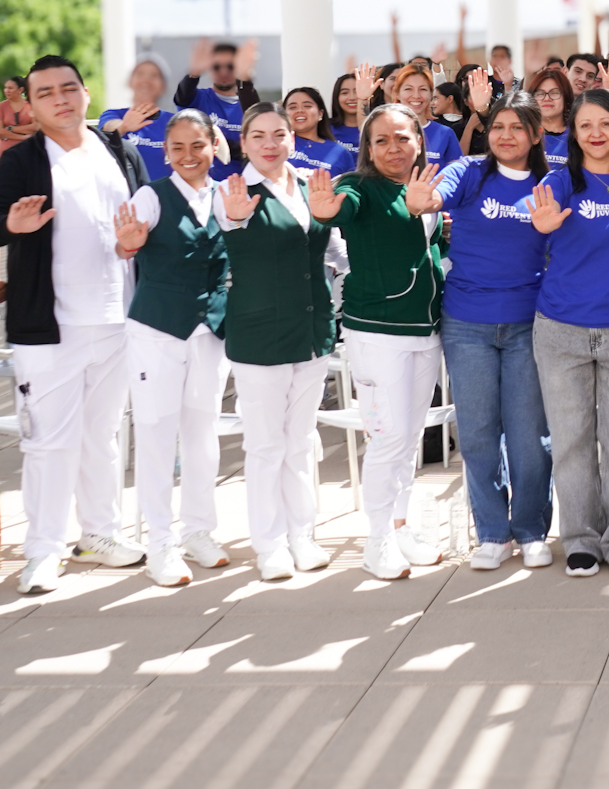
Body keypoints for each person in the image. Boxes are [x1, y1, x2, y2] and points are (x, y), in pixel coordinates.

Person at [0, 54, 150, 594]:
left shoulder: (116, 150)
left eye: (68, 88)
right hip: (49, 327)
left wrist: (137, 242)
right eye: (46, 92)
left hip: (117, 319)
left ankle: (98, 534)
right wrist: (13, 221)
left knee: (101, 435)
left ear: (85, 93)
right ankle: (43, 551)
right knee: (49, 442)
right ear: (28, 105)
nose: (60, 99)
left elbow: (148, 217)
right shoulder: (23, 161)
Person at [526, 90, 609, 579]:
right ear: (573, 133)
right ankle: (579, 537)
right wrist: (540, 224)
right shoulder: (557, 183)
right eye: (586, 126)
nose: (597, 134)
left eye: (606, 124)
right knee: (572, 440)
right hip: (561, 329)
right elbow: (536, 215)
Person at [215, 103, 343, 580]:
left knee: (301, 440)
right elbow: (229, 227)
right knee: (266, 445)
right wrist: (233, 219)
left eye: (279, 134)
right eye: (259, 136)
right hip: (260, 335)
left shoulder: (311, 185)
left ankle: (302, 535)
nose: (270, 144)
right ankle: (269, 544)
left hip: (311, 332)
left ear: (293, 138)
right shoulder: (231, 192)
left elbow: (332, 248)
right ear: (243, 143)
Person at [321, 103, 447, 578]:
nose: (393, 148)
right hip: (376, 332)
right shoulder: (360, 187)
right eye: (382, 140)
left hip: (424, 330)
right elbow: (340, 208)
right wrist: (325, 210)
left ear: (419, 140)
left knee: (411, 436)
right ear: (367, 149)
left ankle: (399, 525)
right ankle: (376, 540)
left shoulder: (427, 187)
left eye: (402, 138)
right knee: (387, 435)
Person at [435, 94, 557, 573]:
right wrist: (425, 199)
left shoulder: (550, 184)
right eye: (498, 126)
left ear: (535, 134)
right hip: (467, 323)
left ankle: (530, 529)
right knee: (479, 433)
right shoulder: (466, 172)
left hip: (529, 322)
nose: (506, 135)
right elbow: (435, 195)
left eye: (517, 127)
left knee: (529, 436)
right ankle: (491, 532)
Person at [110, 109, 231, 586]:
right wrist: (127, 245)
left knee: (203, 436)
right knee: (158, 434)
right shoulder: (151, 196)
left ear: (212, 145)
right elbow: (125, 245)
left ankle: (198, 531)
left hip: (208, 332)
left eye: (196, 145)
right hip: (158, 331)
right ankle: (160, 542)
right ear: (165, 152)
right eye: (177, 147)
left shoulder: (226, 196)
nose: (188, 156)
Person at [172, 39, 261, 163]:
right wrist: (193, 74)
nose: (223, 72)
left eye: (230, 66)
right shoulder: (198, 99)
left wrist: (245, 79)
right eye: (216, 67)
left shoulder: (247, 102)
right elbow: (183, 96)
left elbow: (258, 119)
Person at [99, 57, 173, 181]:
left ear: (163, 86)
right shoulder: (113, 114)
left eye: (154, 75)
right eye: (140, 74)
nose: (146, 80)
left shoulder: (174, 122)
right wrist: (124, 127)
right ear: (130, 82)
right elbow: (108, 128)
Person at [393, 64, 466, 172]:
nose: (416, 95)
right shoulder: (385, 132)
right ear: (398, 94)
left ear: (431, 94)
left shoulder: (445, 134)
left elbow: (458, 176)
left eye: (423, 89)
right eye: (408, 89)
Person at [284, 86, 355, 175]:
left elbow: (349, 186)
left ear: (320, 114)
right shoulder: (278, 143)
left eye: (307, 106)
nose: (300, 110)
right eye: (293, 107)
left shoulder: (340, 152)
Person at [530, 65, 575, 167]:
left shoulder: (577, 135)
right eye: (540, 93)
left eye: (554, 92)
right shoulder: (525, 134)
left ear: (566, 97)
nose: (547, 98)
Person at [0, 75, 36, 153]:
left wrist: (10, 128)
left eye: (10, 88)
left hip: (28, 149)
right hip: (6, 151)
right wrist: (23, 137)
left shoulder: (31, 105)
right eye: (6, 88)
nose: (7, 90)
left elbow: (35, 127)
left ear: (20, 90)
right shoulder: (0, 107)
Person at [329, 71, 366, 148]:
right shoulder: (326, 128)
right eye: (345, 93)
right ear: (337, 97)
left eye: (357, 92)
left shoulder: (374, 127)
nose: (352, 98)